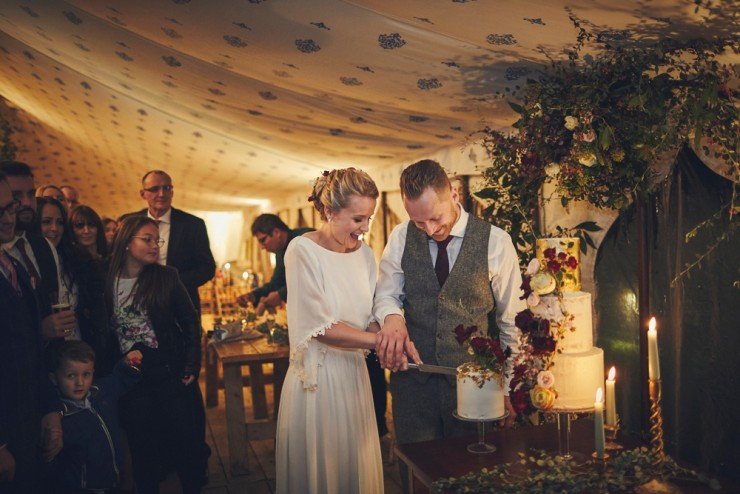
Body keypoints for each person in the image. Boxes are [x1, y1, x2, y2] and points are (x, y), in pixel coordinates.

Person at [372, 160, 524, 491]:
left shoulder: (496, 242)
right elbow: (385, 297)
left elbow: (512, 321)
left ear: (454, 194)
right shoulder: (400, 237)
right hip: (413, 384)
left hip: (476, 387)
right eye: (418, 220)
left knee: (474, 474)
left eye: (435, 217)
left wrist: (510, 386)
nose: (428, 228)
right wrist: (393, 317)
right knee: (417, 475)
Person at [276, 168, 404, 494]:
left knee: (355, 467)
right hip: (319, 379)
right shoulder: (301, 251)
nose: (364, 228)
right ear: (330, 211)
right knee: (326, 470)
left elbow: (371, 313)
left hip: (355, 374)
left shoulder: (365, 255)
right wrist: (379, 342)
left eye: (369, 218)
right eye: (357, 219)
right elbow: (321, 326)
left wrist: (387, 336)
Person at [106, 216, 209, 494]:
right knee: (143, 448)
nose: (155, 246)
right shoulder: (105, 279)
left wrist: (191, 364)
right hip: (130, 378)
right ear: (127, 243)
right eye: (147, 239)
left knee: (185, 444)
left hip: (167, 370)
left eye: (157, 240)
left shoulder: (166, 276)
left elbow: (190, 321)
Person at [45, 341, 142, 493]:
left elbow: (118, 379)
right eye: (71, 375)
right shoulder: (58, 419)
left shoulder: (100, 392)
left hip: (118, 485)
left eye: (86, 374)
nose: (80, 382)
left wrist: (128, 363)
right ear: (54, 378)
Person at [0, 171, 44, 493]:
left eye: (9, 208)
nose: (7, 219)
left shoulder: (11, 264)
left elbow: (30, 345)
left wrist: (50, 408)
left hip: (28, 417)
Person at [37, 198, 115, 374]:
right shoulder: (25, 264)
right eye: (46, 222)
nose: (54, 228)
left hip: (81, 352)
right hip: (44, 359)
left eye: (59, 222)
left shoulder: (76, 260)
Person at [121, 170, 215, 316]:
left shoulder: (192, 224)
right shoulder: (128, 222)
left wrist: (171, 285)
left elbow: (207, 268)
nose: (162, 194)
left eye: (167, 188)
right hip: (134, 303)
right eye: (154, 189)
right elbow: (118, 261)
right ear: (142, 193)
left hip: (180, 305)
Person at [0, 161, 74, 343]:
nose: (26, 203)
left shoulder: (44, 246)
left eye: (31, 194)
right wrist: (38, 331)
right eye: (17, 196)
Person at [236, 214, 313, 311]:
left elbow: (311, 278)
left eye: (263, 240)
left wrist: (281, 295)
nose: (261, 247)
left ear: (276, 232)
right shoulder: (280, 251)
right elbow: (276, 282)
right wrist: (253, 295)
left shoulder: (305, 238)